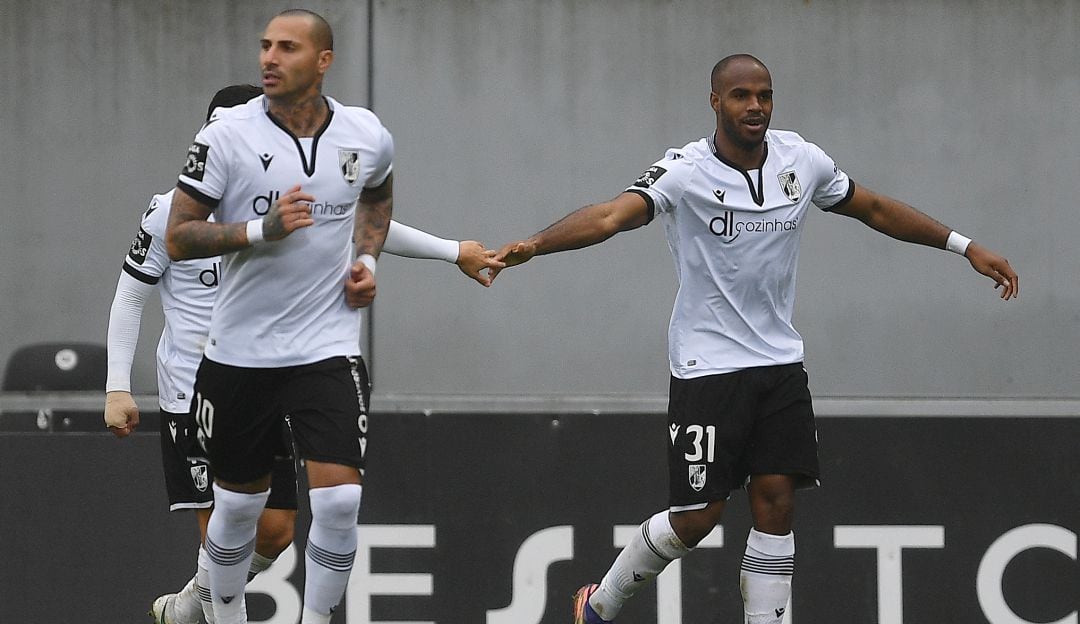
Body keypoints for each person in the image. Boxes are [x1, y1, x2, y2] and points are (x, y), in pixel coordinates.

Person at [490, 54, 1018, 624]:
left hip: (779, 363)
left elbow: (875, 208)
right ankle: (599, 607)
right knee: (697, 517)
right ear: (715, 101)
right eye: (741, 96)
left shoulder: (802, 160)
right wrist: (534, 246)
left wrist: (965, 246)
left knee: (776, 501)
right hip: (706, 366)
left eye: (764, 95)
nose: (755, 107)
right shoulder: (685, 171)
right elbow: (610, 216)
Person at [105, 82, 500, 624]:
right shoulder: (171, 212)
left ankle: (187, 607)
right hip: (191, 386)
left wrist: (454, 251)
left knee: (277, 531)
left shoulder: (285, 201)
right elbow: (131, 292)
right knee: (228, 524)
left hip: (265, 374)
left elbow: (367, 225)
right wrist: (117, 386)